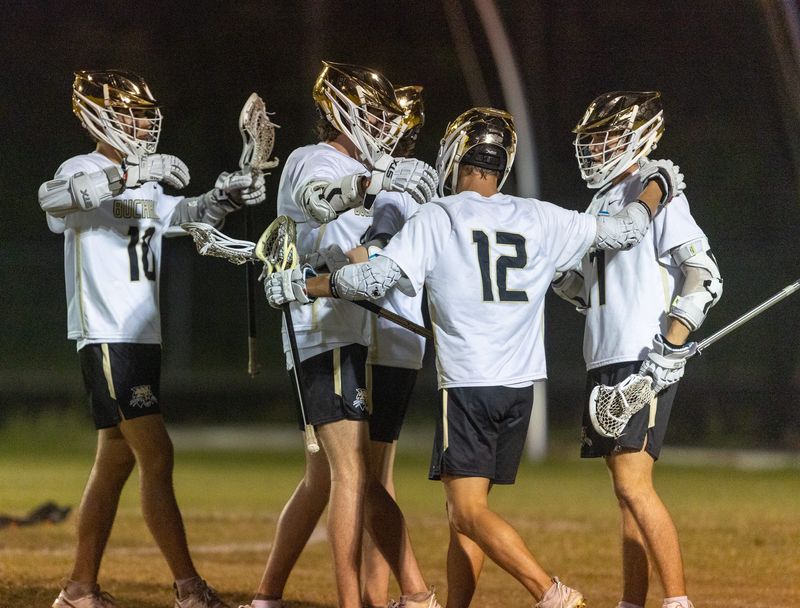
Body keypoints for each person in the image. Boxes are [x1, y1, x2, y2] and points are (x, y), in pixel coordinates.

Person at [264, 106, 685, 608]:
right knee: (467, 511)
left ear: (456, 156)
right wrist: (656, 184)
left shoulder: (438, 216)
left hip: (467, 385)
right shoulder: (540, 215)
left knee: (466, 512)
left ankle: (550, 592)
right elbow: (626, 231)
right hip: (520, 392)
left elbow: (372, 278)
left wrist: (304, 283)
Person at [39, 69, 266, 608]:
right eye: (133, 115)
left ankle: (78, 589)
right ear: (102, 116)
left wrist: (224, 195)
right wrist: (127, 174)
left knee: (114, 460)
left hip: (141, 339)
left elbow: (184, 216)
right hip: (108, 334)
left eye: (145, 115)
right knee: (157, 454)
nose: (144, 124)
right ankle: (189, 587)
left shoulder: (145, 181)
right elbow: (52, 203)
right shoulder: (84, 168)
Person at [241, 62, 440, 608]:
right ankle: (378, 599)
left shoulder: (371, 176)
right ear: (346, 113)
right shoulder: (314, 160)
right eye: (374, 113)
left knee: (332, 478)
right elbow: (319, 201)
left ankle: (268, 596)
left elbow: (356, 255)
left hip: (345, 328)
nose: (384, 125)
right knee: (355, 475)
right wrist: (378, 186)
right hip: (321, 328)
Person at [552, 91, 723, 608]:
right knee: (625, 492)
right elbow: (583, 287)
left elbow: (704, 276)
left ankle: (677, 601)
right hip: (603, 355)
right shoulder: (601, 200)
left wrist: (668, 352)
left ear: (637, 134)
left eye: (607, 134)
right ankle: (633, 602)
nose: (597, 145)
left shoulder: (659, 189)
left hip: (642, 355)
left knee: (634, 483)